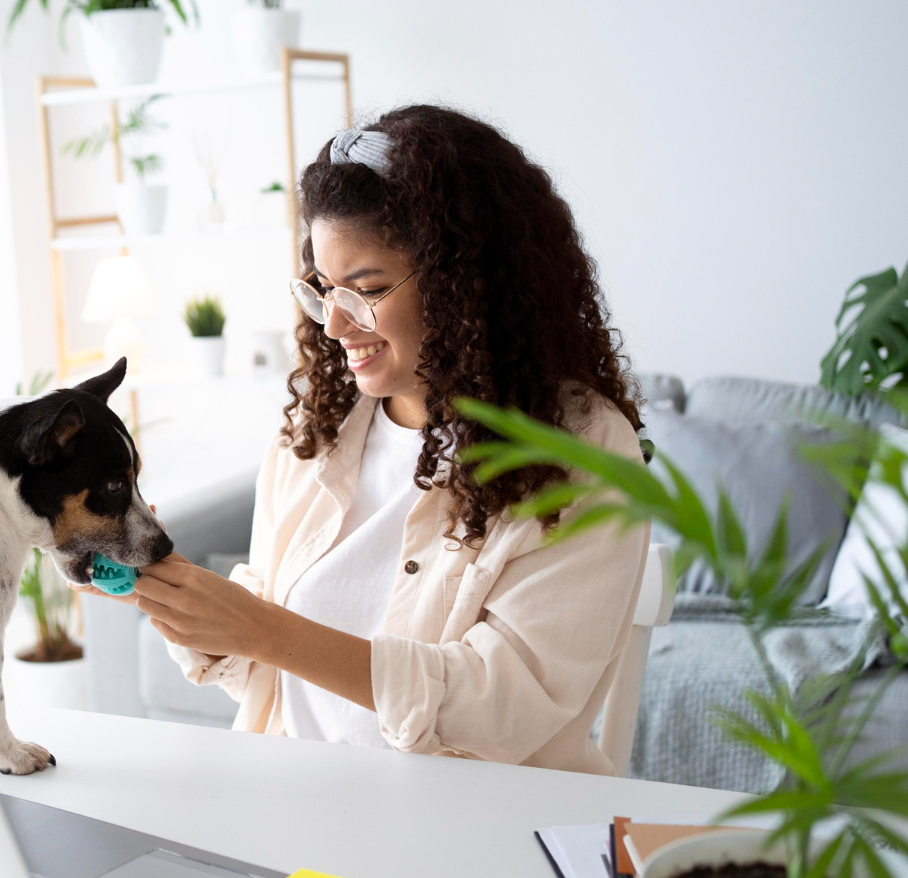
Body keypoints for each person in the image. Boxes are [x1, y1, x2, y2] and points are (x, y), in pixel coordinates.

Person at [81, 104, 648, 775]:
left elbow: (503, 710)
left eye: (367, 289)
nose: (335, 326)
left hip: (474, 832)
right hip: (301, 809)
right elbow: (267, 678)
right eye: (323, 290)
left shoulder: (581, 453)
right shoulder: (315, 435)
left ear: (467, 284)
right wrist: (174, 595)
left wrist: (264, 630)